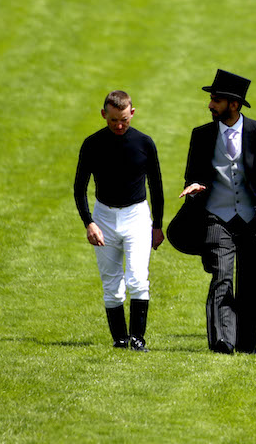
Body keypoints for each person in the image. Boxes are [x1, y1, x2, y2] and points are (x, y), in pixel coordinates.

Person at [172, 70, 256, 354]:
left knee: (252, 282)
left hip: (253, 218)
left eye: (216, 100)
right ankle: (222, 341)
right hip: (216, 215)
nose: (210, 105)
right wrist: (195, 186)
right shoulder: (201, 135)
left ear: (233, 104)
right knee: (222, 274)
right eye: (211, 99)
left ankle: (247, 344)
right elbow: (193, 174)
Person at [73, 90, 165, 351]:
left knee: (137, 279)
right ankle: (120, 339)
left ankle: (137, 340)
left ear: (132, 113)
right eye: (113, 120)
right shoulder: (92, 144)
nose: (119, 125)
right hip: (104, 217)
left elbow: (156, 187)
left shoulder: (145, 143)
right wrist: (89, 222)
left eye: (124, 119)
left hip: (137, 216)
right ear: (104, 114)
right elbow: (79, 188)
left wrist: (157, 225)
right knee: (111, 284)